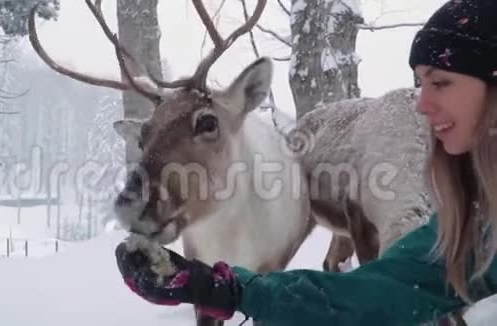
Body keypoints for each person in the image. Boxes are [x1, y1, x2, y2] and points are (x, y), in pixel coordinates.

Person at [114, 0, 497, 324]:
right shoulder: (474, 226)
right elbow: (383, 290)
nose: (421, 104)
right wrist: (222, 288)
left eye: (441, 82)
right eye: (420, 83)